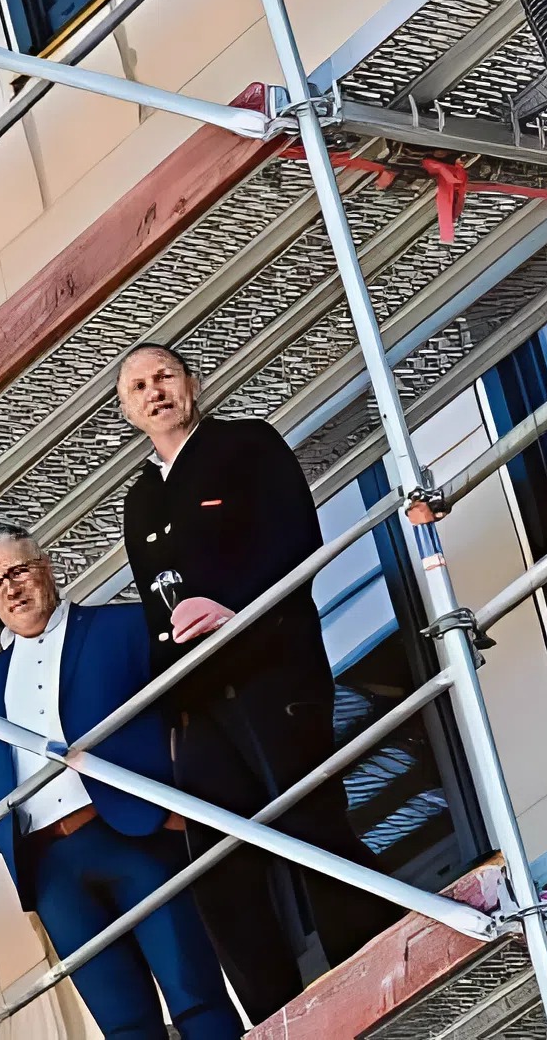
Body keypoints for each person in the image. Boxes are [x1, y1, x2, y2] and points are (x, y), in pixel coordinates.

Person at [116, 341, 396, 1024]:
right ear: (127, 411)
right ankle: (278, 1016)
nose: (154, 392)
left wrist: (234, 608)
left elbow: (295, 538)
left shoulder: (247, 445)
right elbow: (158, 609)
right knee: (219, 866)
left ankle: (380, 963)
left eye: (164, 377)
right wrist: (172, 714)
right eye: (137, 388)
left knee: (308, 822)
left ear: (193, 381)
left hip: (274, 670)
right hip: (202, 700)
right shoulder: (140, 500)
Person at [0, 524, 240, 1040]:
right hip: (51, 868)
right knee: (121, 1023)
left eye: (18, 571)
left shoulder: (120, 627)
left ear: (46, 568)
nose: (10, 589)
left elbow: (196, 705)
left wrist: (183, 801)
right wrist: (5, 826)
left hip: (136, 834)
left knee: (195, 995)